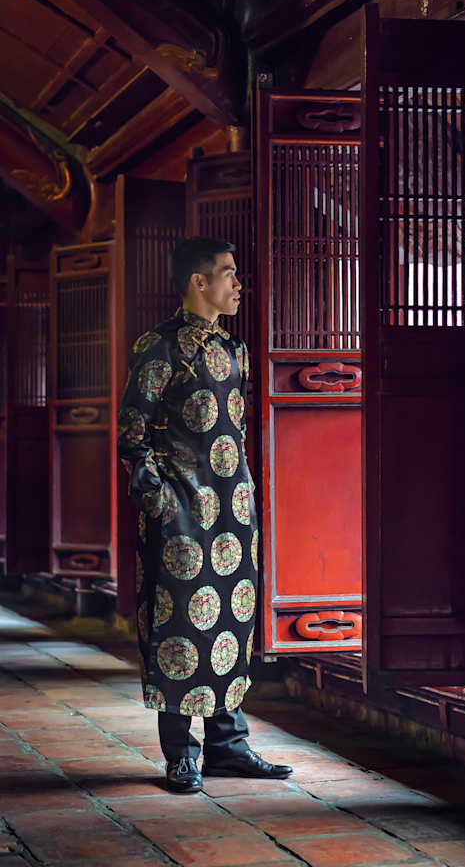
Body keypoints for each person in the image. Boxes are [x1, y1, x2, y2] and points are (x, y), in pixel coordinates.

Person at [116, 236, 292, 792]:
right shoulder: (160, 347)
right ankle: (180, 753)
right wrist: (160, 500)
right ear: (200, 282)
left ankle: (228, 746)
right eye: (229, 273)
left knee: (231, 622)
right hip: (180, 514)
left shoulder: (234, 351)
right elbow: (131, 434)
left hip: (233, 513)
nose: (238, 284)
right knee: (179, 622)